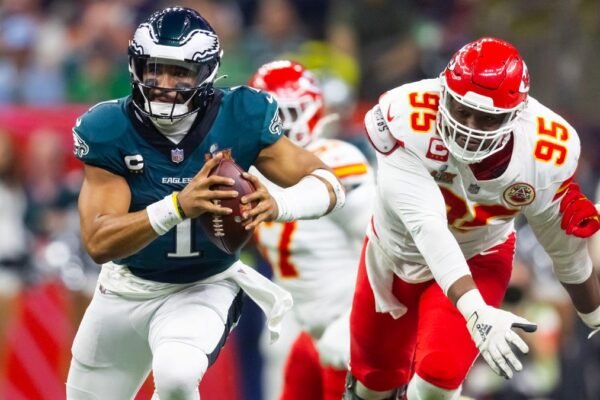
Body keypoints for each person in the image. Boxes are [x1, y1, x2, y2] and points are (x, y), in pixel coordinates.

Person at [65, 7, 346, 400]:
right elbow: (98, 242)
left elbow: (329, 183)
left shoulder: (241, 115)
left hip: (205, 284)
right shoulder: (109, 127)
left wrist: (279, 204)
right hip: (127, 287)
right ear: (136, 67)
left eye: (180, 72)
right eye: (154, 70)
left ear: (206, 73)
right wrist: (178, 206)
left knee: (177, 375)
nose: (164, 84)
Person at [344, 37, 600, 400]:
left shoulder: (545, 149)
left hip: (478, 255)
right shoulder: (404, 117)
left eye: (486, 118)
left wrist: (595, 316)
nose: (469, 126)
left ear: (516, 114)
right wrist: (476, 311)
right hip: (394, 254)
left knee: (438, 379)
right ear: (443, 92)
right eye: (461, 110)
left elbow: (564, 252)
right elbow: (427, 226)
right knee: (372, 384)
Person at [248, 60, 375, 400]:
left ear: (311, 113)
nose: (274, 124)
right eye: (264, 113)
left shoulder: (333, 159)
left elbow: (387, 247)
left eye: (284, 114)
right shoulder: (248, 172)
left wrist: (357, 320)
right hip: (304, 322)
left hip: (353, 319)